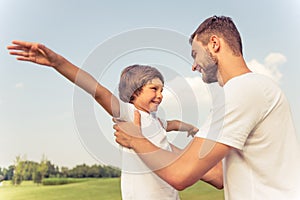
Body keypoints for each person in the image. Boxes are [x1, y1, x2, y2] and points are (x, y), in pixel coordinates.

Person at [113, 15, 300, 199]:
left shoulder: (241, 90)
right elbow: (218, 175)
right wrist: (159, 142)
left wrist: (136, 140)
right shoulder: (253, 88)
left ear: (214, 44)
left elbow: (180, 175)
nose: (194, 66)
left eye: (195, 54)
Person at [7, 41, 199, 199]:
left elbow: (172, 124)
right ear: (134, 91)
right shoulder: (128, 113)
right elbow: (97, 91)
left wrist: (189, 128)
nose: (160, 95)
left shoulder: (156, 121)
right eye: (154, 89)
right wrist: (58, 62)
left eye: (162, 90)